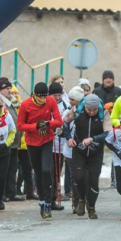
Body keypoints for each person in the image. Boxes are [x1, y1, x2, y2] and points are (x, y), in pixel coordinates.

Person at [17, 82, 63, 219]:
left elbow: (59, 121)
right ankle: (42, 201)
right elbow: (20, 125)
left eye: (45, 97)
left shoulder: (50, 101)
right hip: (32, 142)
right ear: (34, 95)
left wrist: (48, 123)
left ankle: (48, 203)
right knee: (37, 172)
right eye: (40, 97)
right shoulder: (26, 105)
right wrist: (36, 126)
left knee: (46, 170)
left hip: (47, 140)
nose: (43, 100)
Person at [69, 94, 111, 219]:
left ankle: (91, 207)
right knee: (78, 176)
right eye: (89, 110)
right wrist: (68, 138)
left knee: (93, 181)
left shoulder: (103, 113)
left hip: (95, 152)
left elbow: (108, 132)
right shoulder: (77, 111)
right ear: (85, 107)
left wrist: (93, 139)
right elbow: (65, 123)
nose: (92, 112)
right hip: (79, 150)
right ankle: (81, 199)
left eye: (94, 110)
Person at [0, 77, 25, 203]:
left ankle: (11, 192)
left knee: (12, 168)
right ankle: (1, 194)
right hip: (5, 141)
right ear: (1, 90)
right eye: (7, 89)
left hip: (14, 142)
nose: (10, 91)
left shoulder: (10, 101)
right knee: (3, 169)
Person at [62, 85, 86, 213]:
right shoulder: (67, 112)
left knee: (81, 176)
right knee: (73, 177)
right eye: (69, 99)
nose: (70, 101)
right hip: (70, 149)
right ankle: (75, 203)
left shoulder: (85, 112)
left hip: (82, 148)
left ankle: (83, 199)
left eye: (73, 99)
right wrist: (68, 138)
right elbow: (64, 126)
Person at [49, 81, 69, 211]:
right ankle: (47, 198)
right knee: (49, 171)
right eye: (55, 95)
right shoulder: (47, 104)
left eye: (59, 95)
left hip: (60, 144)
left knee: (57, 171)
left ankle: (53, 198)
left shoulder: (65, 105)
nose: (57, 98)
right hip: (48, 143)